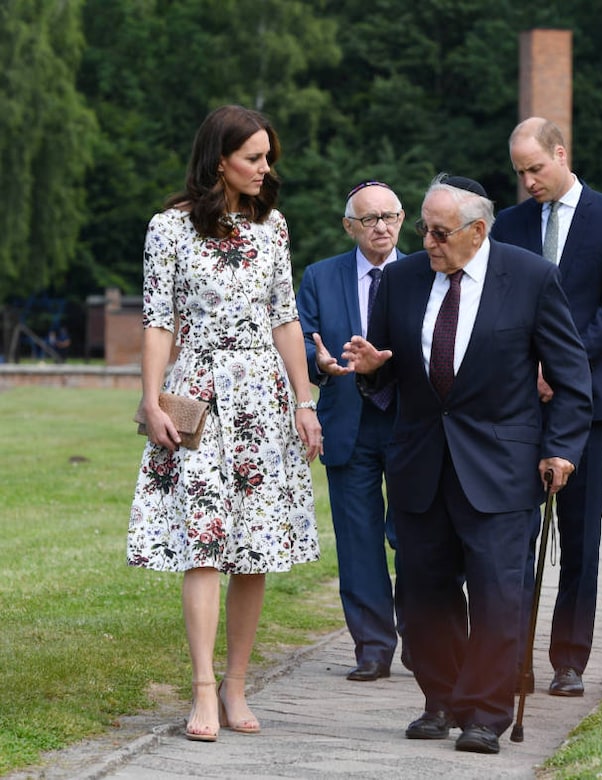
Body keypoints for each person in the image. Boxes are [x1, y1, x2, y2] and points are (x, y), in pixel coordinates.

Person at [341, 174, 592, 754]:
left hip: (502, 467)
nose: (425, 241)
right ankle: (444, 696)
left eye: (438, 231)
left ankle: (484, 711)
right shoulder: (401, 281)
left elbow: (573, 379)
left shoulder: (530, 278)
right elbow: (383, 376)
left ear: (477, 231)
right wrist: (374, 368)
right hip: (421, 464)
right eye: (424, 228)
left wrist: (561, 449)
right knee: (424, 595)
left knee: (499, 595)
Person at [127, 105, 323, 743]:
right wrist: (152, 400)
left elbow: (285, 318)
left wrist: (303, 400)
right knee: (204, 542)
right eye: (255, 158)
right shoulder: (169, 228)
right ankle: (204, 690)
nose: (267, 170)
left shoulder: (274, 229)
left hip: (263, 401)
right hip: (201, 399)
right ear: (220, 161)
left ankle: (238, 684)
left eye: (269, 157)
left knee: (254, 548)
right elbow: (158, 322)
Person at [491, 117, 602, 697]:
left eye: (536, 168)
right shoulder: (509, 224)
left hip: (587, 402)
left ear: (561, 154)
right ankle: (513, 657)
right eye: (520, 172)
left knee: (579, 537)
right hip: (521, 402)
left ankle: (569, 660)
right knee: (515, 536)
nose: (528, 181)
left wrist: (561, 366)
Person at [296, 181, 406, 681]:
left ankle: (426, 642)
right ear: (349, 227)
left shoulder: (426, 272)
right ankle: (373, 647)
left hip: (412, 423)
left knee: (415, 537)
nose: (381, 227)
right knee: (358, 539)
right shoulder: (321, 277)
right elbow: (300, 341)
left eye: (389, 216)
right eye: (369, 219)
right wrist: (316, 363)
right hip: (349, 423)